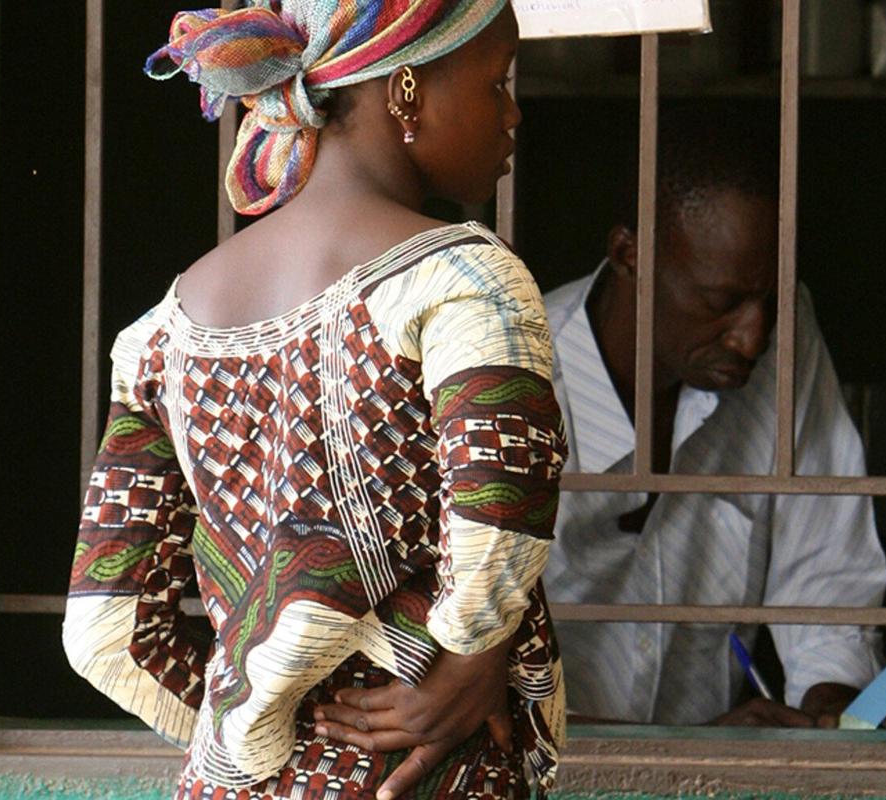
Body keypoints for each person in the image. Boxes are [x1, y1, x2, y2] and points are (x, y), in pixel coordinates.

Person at [61, 4, 566, 799]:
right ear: (406, 90)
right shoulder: (465, 284)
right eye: (497, 81)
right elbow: (500, 512)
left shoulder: (164, 329)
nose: (512, 112)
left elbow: (106, 632)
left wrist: (263, 727)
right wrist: (471, 664)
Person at [540, 107, 886, 728]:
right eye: (719, 302)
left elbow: (827, 564)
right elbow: (471, 676)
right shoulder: (517, 381)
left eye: (772, 299)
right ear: (628, 254)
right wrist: (684, 748)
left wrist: (831, 706)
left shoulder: (783, 337)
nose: (752, 338)